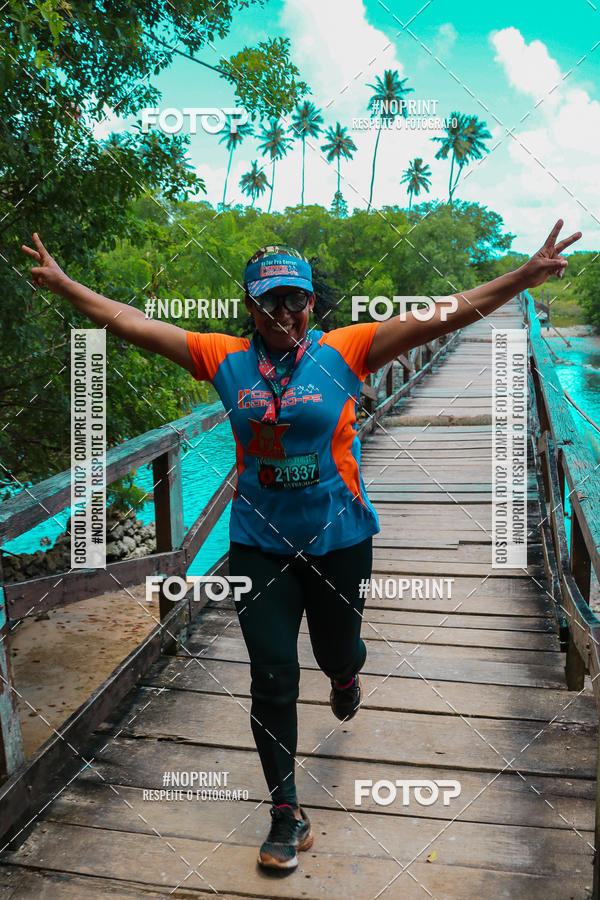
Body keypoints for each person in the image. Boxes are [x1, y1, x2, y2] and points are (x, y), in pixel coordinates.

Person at [21, 221, 580, 870]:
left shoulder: (343, 351)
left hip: (340, 539)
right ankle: (285, 811)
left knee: (335, 650)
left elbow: (440, 317)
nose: (285, 312)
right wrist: (66, 287)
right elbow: (133, 323)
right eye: (270, 300)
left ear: (313, 302)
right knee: (271, 676)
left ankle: (346, 674)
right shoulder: (221, 359)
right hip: (260, 544)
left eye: (297, 299)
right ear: (250, 306)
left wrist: (521, 278)